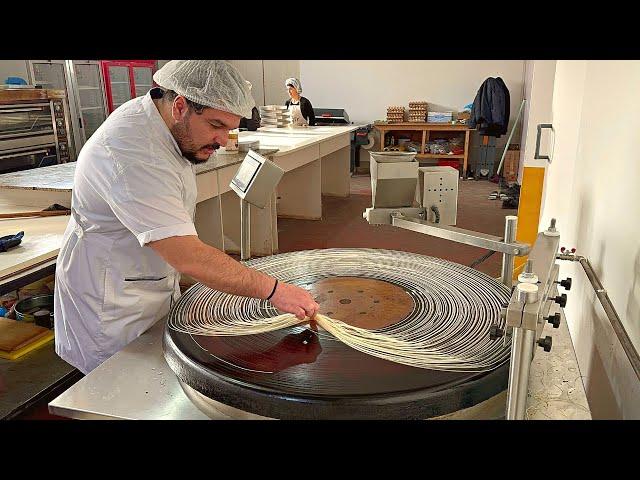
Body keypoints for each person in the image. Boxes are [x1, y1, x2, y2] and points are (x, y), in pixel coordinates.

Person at [53, 60, 319, 374]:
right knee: (117, 385)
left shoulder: (167, 128)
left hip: (144, 281)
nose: (223, 140)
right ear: (180, 106)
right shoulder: (133, 154)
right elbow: (188, 256)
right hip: (111, 306)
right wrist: (275, 291)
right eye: (216, 126)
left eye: (229, 128)